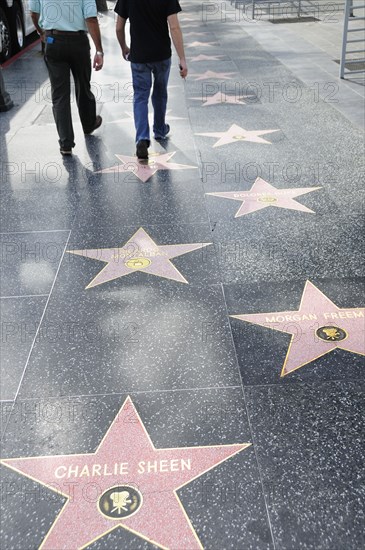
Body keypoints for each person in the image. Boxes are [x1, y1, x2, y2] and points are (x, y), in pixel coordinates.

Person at [29, 0, 104, 156]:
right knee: (83, 84)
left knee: (59, 94)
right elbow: (91, 18)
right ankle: (89, 124)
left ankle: (66, 143)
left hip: (53, 40)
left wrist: (41, 32)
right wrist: (99, 50)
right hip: (79, 42)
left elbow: (34, 13)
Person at [114, 0, 187, 160]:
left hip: (139, 56)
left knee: (140, 96)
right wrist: (182, 58)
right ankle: (160, 130)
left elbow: (119, 27)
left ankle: (142, 137)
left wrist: (124, 47)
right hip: (161, 55)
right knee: (160, 92)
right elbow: (174, 27)